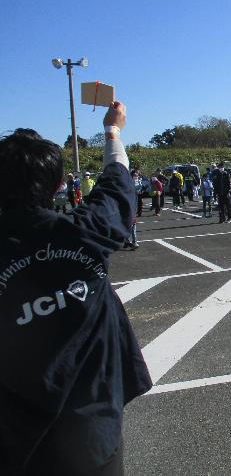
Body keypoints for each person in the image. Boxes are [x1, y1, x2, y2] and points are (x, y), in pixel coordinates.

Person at [0, 102, 152, 475]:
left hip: (15, 442)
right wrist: (112, 132)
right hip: (91, 431)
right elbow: (117, 186)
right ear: (58, 186)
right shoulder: (84, 233)